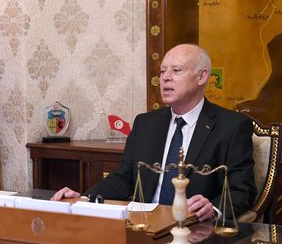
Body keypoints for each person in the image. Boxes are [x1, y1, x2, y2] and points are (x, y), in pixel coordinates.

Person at [52, 44, 256, 221]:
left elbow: (242, 190)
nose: (165, 78)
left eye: (176, 70)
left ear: (202, 76)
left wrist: (213, 209)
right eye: (162, 71)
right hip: (144, 227)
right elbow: (124, 179)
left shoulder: (232, 127)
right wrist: (84, 198)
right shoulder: (145, 124)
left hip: (195, 229)